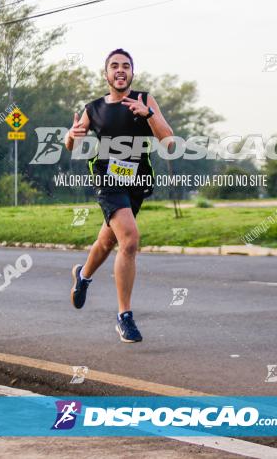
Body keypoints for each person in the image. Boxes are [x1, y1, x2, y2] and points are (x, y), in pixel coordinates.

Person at [65, 49, 173, 343]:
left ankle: (83, 275)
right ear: (106, 74)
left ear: (132, 74)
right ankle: (124, 316)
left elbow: (169, 142)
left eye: (126, 66)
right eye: (114, 66)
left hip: (135, 182)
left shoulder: (145, 100)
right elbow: (71, 145)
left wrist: (149, 115)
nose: (120, 70)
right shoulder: (94, 108)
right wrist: (73, 135)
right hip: (106, 178)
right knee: (130, 239)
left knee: (107, 240)